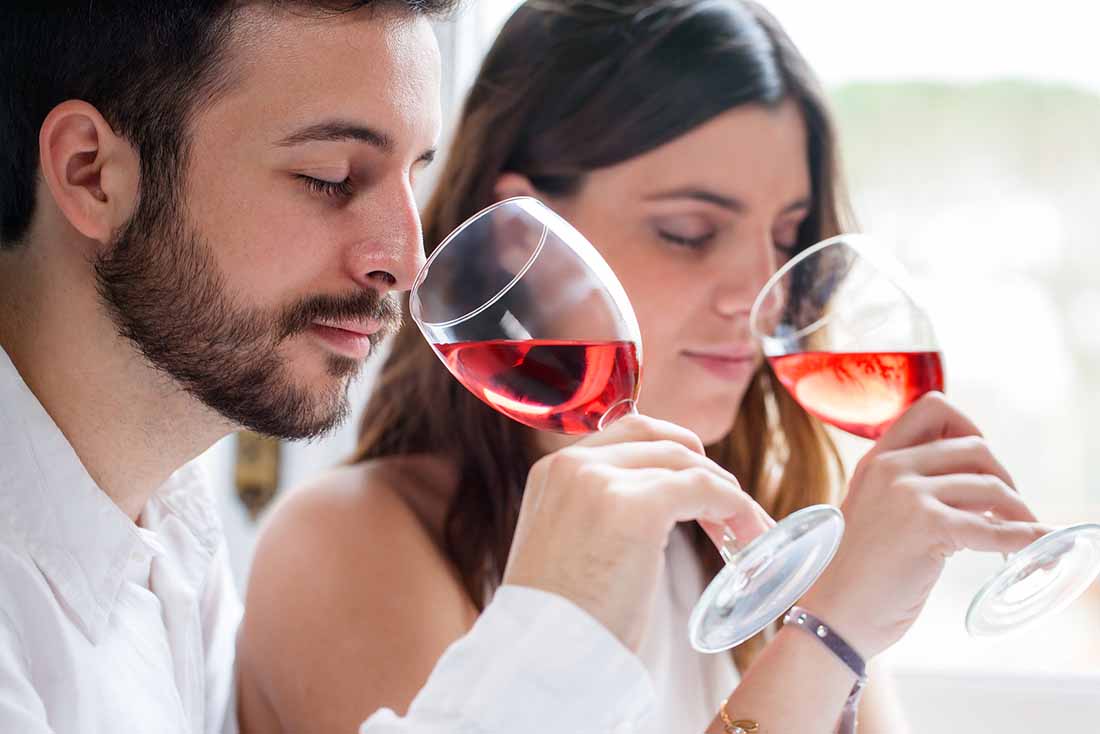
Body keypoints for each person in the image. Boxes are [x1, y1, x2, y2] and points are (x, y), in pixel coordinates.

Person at [237, 2, 1050, 733]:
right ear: (526, 241)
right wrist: (830, 639)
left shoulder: (756, 532)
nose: (757, 295)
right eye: (691, 232)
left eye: (787, 235)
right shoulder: (349, 545)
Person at [0, 2, 779, 733]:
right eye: (331, 178)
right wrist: (554, 631)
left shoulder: (168, 532)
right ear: (91, 173)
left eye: (414, 177)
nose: (407, 264)